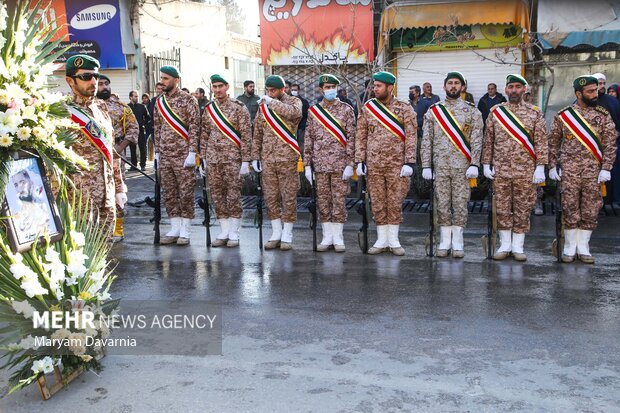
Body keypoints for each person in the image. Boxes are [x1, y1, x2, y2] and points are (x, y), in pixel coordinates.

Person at [548, 75, 617, 264]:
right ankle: (570, 247)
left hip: (593, 172)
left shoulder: (602, 115)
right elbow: (553, 142)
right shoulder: (564, 116)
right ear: (579, 93)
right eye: (590, 91)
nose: (595, 94)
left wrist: (606, 168)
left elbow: (610, 144)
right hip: (569, 171)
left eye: (596, 90)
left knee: (590, 209)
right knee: (570, 208)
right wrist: (552, 166)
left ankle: (584, 247)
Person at [481, 74, 548, 261]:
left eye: (518, 86)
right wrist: (486, 163)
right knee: (502, 207)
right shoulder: (496, 112)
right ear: (506, 90)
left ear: (524, 90)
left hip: (525, 170)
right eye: (511, 87)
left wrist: (541, 166)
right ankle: (505, 245)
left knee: (522, 208)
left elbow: (541, 142)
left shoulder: (535, 113)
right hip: (501, 169)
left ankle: (518, 246)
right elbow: (489, 140)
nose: (514, 90)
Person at [421, 71, 483, 258]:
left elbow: (477, 139)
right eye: (450, 83)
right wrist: (426, 165)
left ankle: (458, 242)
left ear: (462, 87)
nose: (453, 86)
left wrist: (475, 164)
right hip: (440, 166)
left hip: (462, 167)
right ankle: (444, 241)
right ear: (444, 86)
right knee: (442, 203)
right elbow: (426, 140)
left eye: (457, 83)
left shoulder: (472, 111)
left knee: (460, 204)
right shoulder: (434, 111)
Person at [64, 55, 126, 241]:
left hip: (106, 198)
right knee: (80, 259)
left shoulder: (102, 108)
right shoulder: (61, 112)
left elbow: (111, 152)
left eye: (95, 76)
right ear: (70, 81)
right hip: (79, 201)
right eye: (85, 77)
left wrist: (120, 188)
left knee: (104, 254)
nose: (93, 81)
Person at [355, 71, 417, 256]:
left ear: (390, 88)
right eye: (374, 86)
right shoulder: (368, 108)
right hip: (374, 165)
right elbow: (361, 136)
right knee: (378, 202)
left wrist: (410, 162)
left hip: (397, 165)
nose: (375, 89)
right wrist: (360, 160)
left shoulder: (404, 108)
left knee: (395, 202)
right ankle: (381, 240)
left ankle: (394, 240)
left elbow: (411, 136)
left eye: (379, 86)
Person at [303, 74, 356, 252]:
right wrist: (307, 165)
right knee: (323, 202)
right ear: (321, 90)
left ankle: (338, 237)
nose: (330, 90)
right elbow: (308, 139)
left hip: (340, 165)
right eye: (327, 87)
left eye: (333, 87)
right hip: (319, 165)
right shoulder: (313, 111)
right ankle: (327, 236)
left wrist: (351, 164)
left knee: (339, 201)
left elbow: (351, 138)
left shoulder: (347, 110)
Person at [250, 75, 303, 250]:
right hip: (268, 158)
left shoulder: (294, 102)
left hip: (287, 158)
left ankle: (287, 233)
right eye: (268, 91)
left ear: (282, 90)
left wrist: (270, 102)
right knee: (271, 196)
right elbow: (257, 133)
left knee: (288, 196)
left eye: (273, 91)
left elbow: (295, 114)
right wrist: (255, 156)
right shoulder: (262, 106)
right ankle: (276, 232)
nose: (270, 93)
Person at [200, 74, 252, 247]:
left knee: (233, 195)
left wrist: (246, 161)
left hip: (233, 159)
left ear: (227, 87)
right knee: (217, 195)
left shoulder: (239, 108)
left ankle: (234, 233)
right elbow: (204, 134)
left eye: (220, 86)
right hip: (214, 159)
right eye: (214, 87)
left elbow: (246, 135)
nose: (217, 90)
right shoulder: (209, 109)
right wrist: (203, 158)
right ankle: (223, 231)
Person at [153, 66, 200, 246]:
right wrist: (157, 152)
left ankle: (185, 230)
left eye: (166, 78)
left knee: (185, 192)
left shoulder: (189, 100)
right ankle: (174, 227)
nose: (162, 81)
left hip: (183, 154)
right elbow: (157, 127)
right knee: (170, 192)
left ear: (176, 80)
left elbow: (194, 127)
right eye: (162, 78)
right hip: (165, 155)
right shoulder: (159, 102)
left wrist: (192, 152)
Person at [96, 75, 139, 241]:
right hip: (93, 158)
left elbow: (133, 128)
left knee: (117, 192)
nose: (104, 87)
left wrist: (120, 148)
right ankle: (98, 229)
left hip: (115, 158)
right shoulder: (87, 107)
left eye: (107, 83)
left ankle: (118, 229)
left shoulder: (121, 107)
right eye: (100, 84)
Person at [128, 90, 151, 171]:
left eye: (137, 96)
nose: (137, 98)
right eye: (135, 96)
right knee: (132, 149)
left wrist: (143, 123)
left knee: (142, 148)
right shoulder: (127, 107)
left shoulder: (142, 107)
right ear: (130, 97)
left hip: (141, 130)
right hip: (131, 131)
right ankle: (133, 166)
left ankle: (143, 165)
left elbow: (148, 117)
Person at [291, 83, 309, 152]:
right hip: (291, 127)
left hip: (301, 127)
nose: (294, 91)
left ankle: (301, 159)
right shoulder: (288, 101)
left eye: (295, 90)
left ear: (299, 91)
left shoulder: (304, 102)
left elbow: (306, 115)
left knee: (301, 144)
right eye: (292, 90)